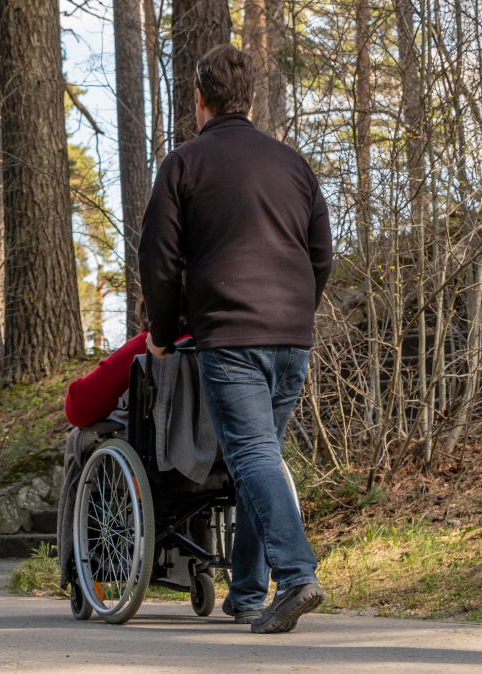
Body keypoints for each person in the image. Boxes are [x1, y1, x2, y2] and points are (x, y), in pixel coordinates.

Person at [138, 44, 333, 634]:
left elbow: (160, 260)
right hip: (292, 338)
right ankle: (248, 592)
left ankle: (295, 575)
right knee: (262, 457)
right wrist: (296, 312)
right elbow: (321, 254)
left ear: (199, 100)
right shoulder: (294, 165)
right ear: (251, 99)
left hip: (231, 336)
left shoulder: (183, 165)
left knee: (249, 456)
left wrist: (164, 333)